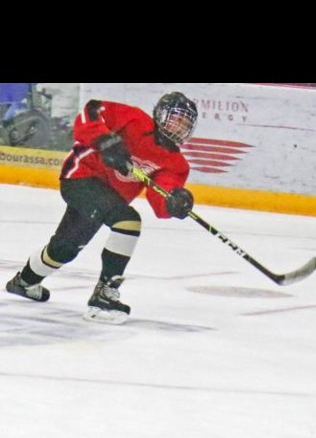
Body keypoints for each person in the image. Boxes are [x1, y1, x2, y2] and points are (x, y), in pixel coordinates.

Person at [5, 92, 199, 324]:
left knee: (65, 248)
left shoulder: (176, 164)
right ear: (161, 114)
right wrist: (104, 139)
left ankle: (23, 282)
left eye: (186, 123)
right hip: (81, 178)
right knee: (128, 221)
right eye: (177, 118)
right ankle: (104, 295)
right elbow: (90, 112)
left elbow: (161, 197)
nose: (180, 126)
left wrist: (174, 200)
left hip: (108, 197)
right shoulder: (134, 119)